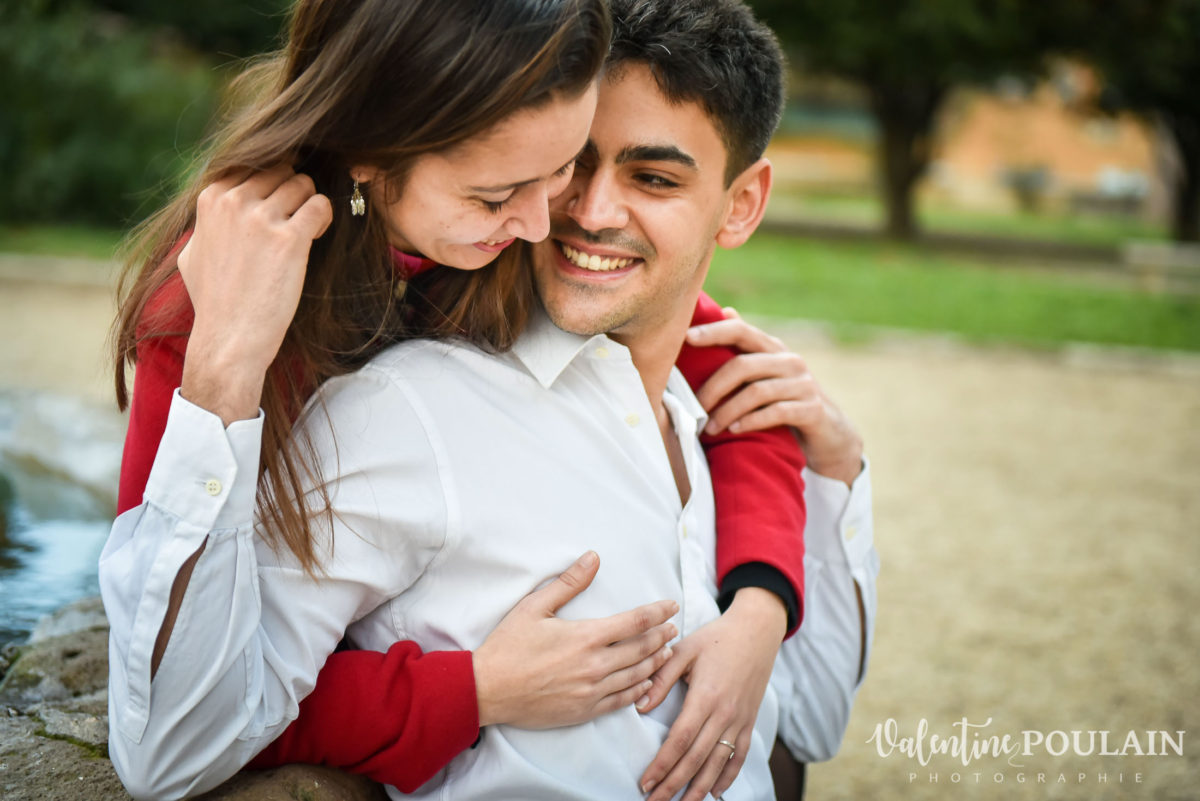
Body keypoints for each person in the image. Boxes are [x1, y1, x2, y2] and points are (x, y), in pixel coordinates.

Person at [102, 0, 878, 799]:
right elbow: (176, 662)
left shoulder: (514, 247)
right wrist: (471, 689)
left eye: (560, 167)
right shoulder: (217, 307)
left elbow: (705, 363)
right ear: (371, 153)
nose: (555, 219)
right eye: (500, 190)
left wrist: (759, 605)